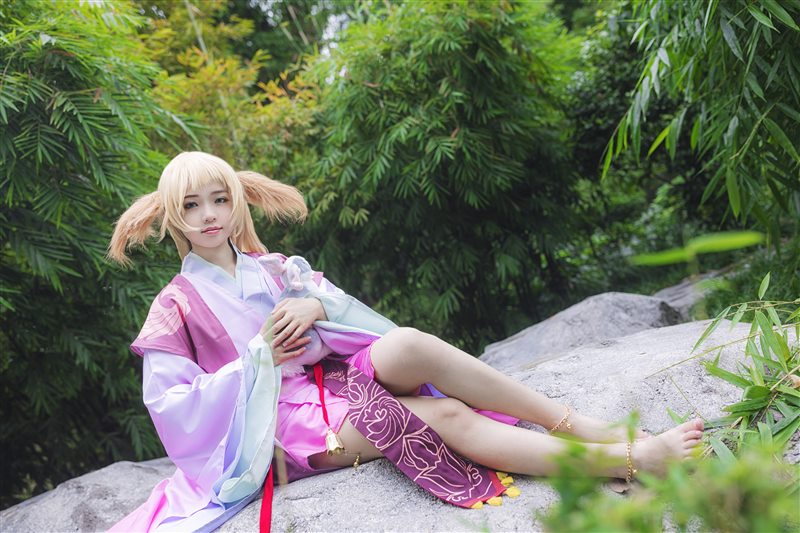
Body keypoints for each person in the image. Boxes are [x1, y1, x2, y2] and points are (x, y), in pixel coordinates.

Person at [106, 152, 704, 532]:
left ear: (237, 203)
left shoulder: (275, 269)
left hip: (334, 382)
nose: (209, 215)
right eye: (192, 206)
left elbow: (358, 320)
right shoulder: (174, 307)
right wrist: (257, 358)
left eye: (219, 200)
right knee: (443, 415)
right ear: (172, 217)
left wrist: (318, 307)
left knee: (411, 343)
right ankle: (629, 459)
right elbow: (173, 407)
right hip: (280, 426)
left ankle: (578, 425)